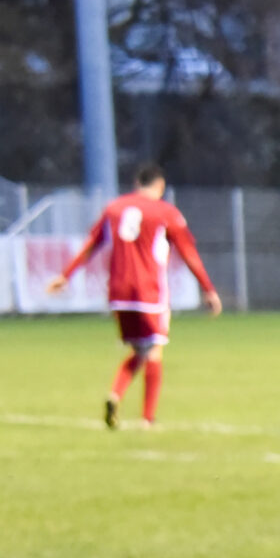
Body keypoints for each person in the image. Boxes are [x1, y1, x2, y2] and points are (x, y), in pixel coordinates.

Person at [48, 161, 223, 430]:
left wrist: (65, 275)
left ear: (136, 184)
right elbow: (188, 253)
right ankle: (147, 419)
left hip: (119, 293)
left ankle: (115, 395)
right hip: (149, 291)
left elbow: (91, 244)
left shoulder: (114, 208)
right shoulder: (165, 212)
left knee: (140, 351)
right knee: (154, 351)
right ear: (160, 185)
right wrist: (208, 288)